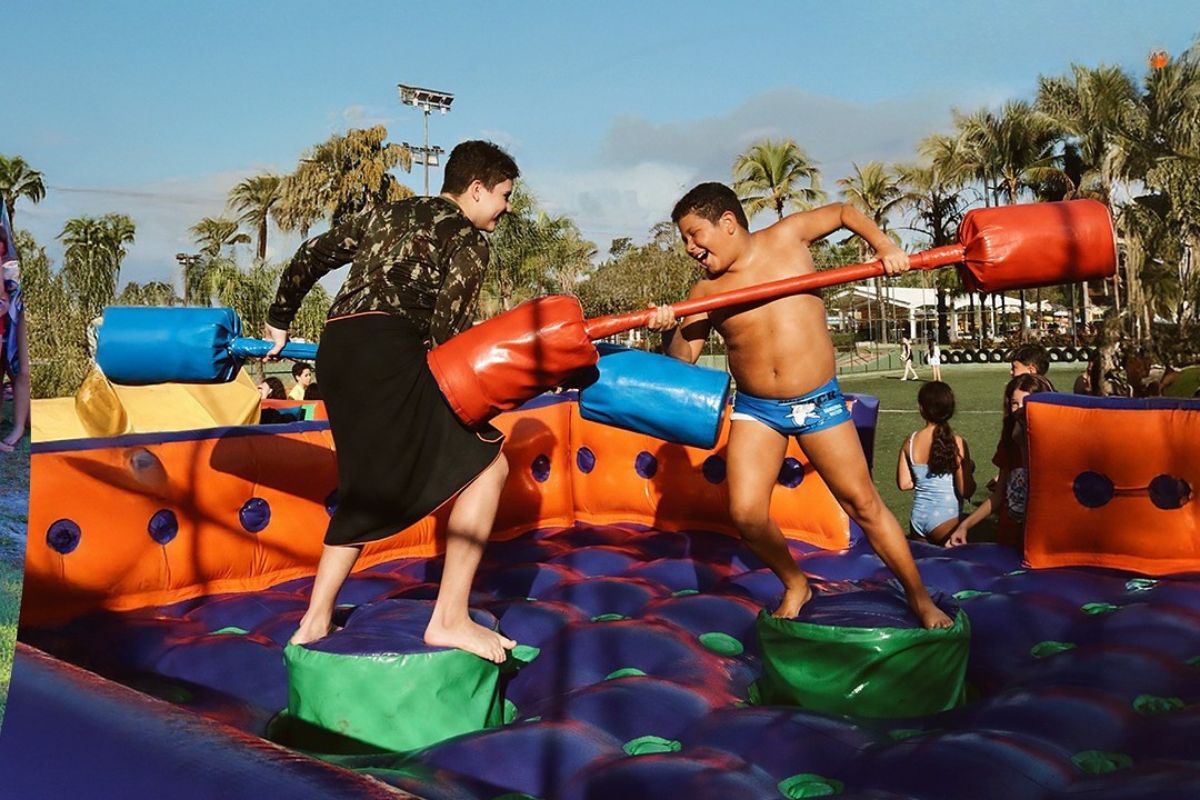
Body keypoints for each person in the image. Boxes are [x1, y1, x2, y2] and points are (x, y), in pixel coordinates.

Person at [650, 182, 952, 629]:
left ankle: (921, 599)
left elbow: (845, 211)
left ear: (727, 223)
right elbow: (681, 360)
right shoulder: (704, 292)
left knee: (863, 504)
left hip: (818, 402)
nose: (690, 247)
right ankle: (796, 583)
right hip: (756, 410)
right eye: (685, 240)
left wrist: (885, 246)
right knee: (746, 514)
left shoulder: (789, 236)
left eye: (695, 235)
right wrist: (667, 326)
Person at [264, 140, 520, 662]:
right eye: (504, 195)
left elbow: (313, 254)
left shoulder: (389, 212)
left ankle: (315, 620)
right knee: (489, 467)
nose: (507, 207)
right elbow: (449, 332)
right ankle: (448, 618)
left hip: (337, 349)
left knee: (364, 486)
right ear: (475, 190)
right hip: (390, 350)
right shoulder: (469, 239)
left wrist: (280, 316)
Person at [948, 373, 1055, 547]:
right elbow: (998, 496)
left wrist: (1022, 445)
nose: (1019, 409)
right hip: (1008, 536)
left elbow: (1041, 491)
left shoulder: (1054, 444)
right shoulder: (1008, 443)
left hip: (1038, 540)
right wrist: (965, 526)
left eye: (1026, 403)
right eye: (1014, 403)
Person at [896, 381, 976, 545]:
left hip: (918, 518)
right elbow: (965, 490)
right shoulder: (957, 442)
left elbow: (904, 483)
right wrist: (969, 469)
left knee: (924, 568)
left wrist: (926, 477)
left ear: (921, 408)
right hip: (946, 518)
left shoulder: (910, 441)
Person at [0, 236, 28, 453]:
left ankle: (18, 427)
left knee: (21, 371)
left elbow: (7, 299)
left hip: (15, 315)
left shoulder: (8, 258)